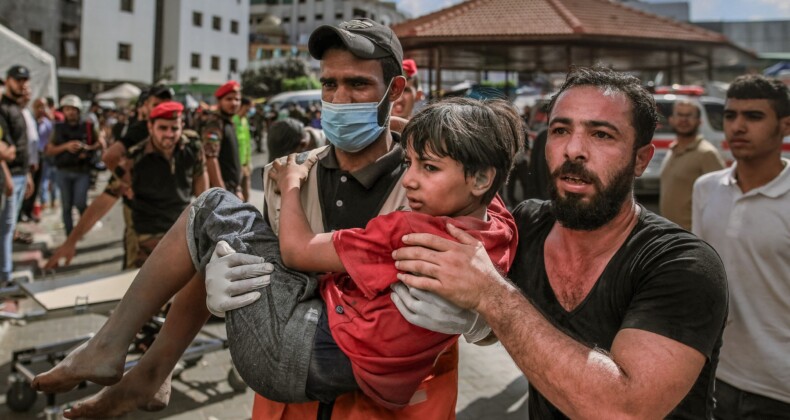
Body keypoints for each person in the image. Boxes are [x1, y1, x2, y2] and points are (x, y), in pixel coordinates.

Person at [32, 19, 466, 420]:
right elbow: (263, 272)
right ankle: (148, 372)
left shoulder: (439, 179)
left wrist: (475, 311)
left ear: (395, 89)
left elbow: (497, 272)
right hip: (291, 399)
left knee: (211, 209)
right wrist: (216, 285)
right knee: (217, 240)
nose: (338, 99)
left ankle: (138, 366)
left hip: (392, 403)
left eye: (357, 84)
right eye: (329, 84)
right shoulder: (290, 174)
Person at [390, 66, 729, 419]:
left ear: (641, 159)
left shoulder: (682, 265)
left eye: (601, 134)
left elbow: (624, 411)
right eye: (560, 130)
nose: (573, 150)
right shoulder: (525, 226)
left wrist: (490, 294)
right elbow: (451, 184)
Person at [692, 74, 790, 419]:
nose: (738, 126)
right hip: (716, 375)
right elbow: (704, 281)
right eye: (731, 116)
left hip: (779, 389)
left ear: (785, 126)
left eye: (754, 116)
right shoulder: (707, 189)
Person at [45, 102, 208, 269]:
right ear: (150, 127)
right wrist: (70, 242)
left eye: (174, 128)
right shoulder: (135, 160)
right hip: (146, 238)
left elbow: (202, 190)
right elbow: (104, 202)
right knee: (142, 291)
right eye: (163, 128)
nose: (169, 134)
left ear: (182, 126)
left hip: (181, 234)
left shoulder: (192, 147)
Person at [659, 99, 724, 230]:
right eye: (680, 115)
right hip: (670, 234)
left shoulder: (706, 153)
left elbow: (720, 201)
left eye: (689, 116)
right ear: (671, 120)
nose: (684, 120)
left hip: (692, 236)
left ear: (699, 121)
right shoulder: (673, 150)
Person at [45, 94, 104, 235]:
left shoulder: (88, 126)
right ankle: (70, 237)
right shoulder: (57, 128)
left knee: (80, 202)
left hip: (81, 171)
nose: (71, 112)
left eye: (73, 109)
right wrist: (66, 147)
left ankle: (83, 227)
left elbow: (100, 143)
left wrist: (86, 148)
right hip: (63, 171)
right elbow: (49, 150)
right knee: (66, 206)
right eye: (67, 109)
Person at [0, 65, 33, 282]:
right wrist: (7, 177)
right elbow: (4, 151)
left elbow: (19, 147)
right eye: (18, 79)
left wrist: (27, 174)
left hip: (20, 174)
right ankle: (5, 276)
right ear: (8, 80)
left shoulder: (17, 108)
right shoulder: (3, 108)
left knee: (9, 228)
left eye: (25, 80)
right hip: (9, 176)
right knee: (5, 228)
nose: (22, 84)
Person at [201, 81, 242, 196]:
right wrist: (223, 193)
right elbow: (210, 157)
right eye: (229, 99)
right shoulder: (215, 123)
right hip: (223, 191)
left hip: (232, 189)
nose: (234, 103)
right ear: (219, 101)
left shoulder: (229, 122)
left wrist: (237, 188)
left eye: (237, 99)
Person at [233, 96, 253, 202]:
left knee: (246, 194)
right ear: (241, 106)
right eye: (247, 109)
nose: (248, 112)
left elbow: (247, 143)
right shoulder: (233, 121)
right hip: (236, 165)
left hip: (245, 164)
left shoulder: (245, 121)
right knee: (236, 196)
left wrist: (249, 162)